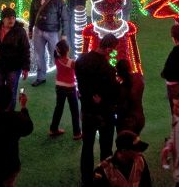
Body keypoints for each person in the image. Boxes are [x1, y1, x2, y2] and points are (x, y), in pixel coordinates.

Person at [75, 34, 119, 186]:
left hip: (87, 110)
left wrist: (87, 96)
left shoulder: (81, 60)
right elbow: (113, 94)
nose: (112, 53)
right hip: (104, 113)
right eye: (112, 50)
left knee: (87, 146)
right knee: (106, 148)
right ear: (108, 48)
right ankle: (105, 177)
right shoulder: (108, 69)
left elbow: (79, 84)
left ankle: (86, 180)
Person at [0, 7, 31, 110]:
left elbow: (25, 50)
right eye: (8, 18)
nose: (11, 20)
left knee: (11, 92)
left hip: (13, 67)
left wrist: (26, 68)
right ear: (3, 19)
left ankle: (10, 115)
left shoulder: (20, 31)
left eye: (13, 18)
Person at [28, 0, 67, 86]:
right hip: (38, 30)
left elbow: (65, 17)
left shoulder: (57, 0)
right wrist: (30, 29)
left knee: (56, 55)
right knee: (39, 55)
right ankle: (41, 77)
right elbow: (32, 16)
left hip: (52, 31)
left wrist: (64, 34)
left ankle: (62, 76)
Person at [49, 40, 81, 139]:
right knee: (74, 110)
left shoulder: (56, 59)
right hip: (70, 87)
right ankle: (77, 133)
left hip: (59, 86)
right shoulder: (72, 62)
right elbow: (78, 73)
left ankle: (53, 129)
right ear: (67, 50)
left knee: (58, 108)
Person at [115, 59, 145, 134]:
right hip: (139, 118)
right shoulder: (139, 78)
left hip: (126, 122)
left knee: (125, 144)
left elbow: (120, 107)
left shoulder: (121, 88)